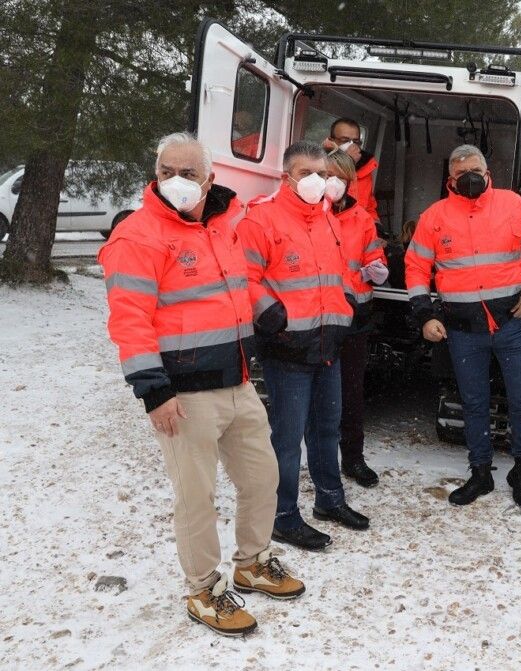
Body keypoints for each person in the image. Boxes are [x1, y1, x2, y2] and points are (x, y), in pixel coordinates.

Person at [99, 132, 304, 636]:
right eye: (166, 171)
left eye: (188, 173)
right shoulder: (138, 236)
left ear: (210, 178)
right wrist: (154, 390)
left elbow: (232, 285)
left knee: (263, 478)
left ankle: (253, 562)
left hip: (236, 379)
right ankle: (203, 588)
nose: (176, 182)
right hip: (183, 393)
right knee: (196, 497)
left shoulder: (225, 223)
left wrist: (263, 309)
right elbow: (129, 319)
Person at [239, 140, 369, 552]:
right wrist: (270, 314)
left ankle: (330, 500)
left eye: (324, 173)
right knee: (288, 436)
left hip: (328, 343)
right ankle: (282, 516)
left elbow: (335, 272)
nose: (318, 181)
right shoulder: (261, 219)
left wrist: (346, 303)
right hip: (288, 347)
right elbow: (244, 275)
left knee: (326, 429)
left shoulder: (327, 218)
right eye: (306, 173)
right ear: (286, 177)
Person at [405, 144, 521, 509]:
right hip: (463, 330)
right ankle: (480, 471)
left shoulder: (512, 204)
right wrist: (425, 314)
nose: (469, 179)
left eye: (475, 172)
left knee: (520, 400)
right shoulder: (434, 216)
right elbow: (417, 268)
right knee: (473, 402)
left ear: (487, 173)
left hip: (511, 325)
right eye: (460, 174)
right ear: (449, 179)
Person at [325, 149, 388, 488]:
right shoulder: (306, 216)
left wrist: (376, 266)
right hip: (314, 321)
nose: (332, 182)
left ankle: (353, 458)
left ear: (351, 183)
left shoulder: (362, 218)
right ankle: (318, 461)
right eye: (326, 174)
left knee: (351, 393)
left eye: (341, 177)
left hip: (354, 320)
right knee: (315, 396)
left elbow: (372, 254)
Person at [322, 118, 379, 226]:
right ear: (331, 141)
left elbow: (369, 207)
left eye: (356, 142)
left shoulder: (365, 168)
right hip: (331, 233)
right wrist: (348, 162)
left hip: (358, 235)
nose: (351, 145)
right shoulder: (318, 165)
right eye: (345, 140)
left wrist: (377, 230)